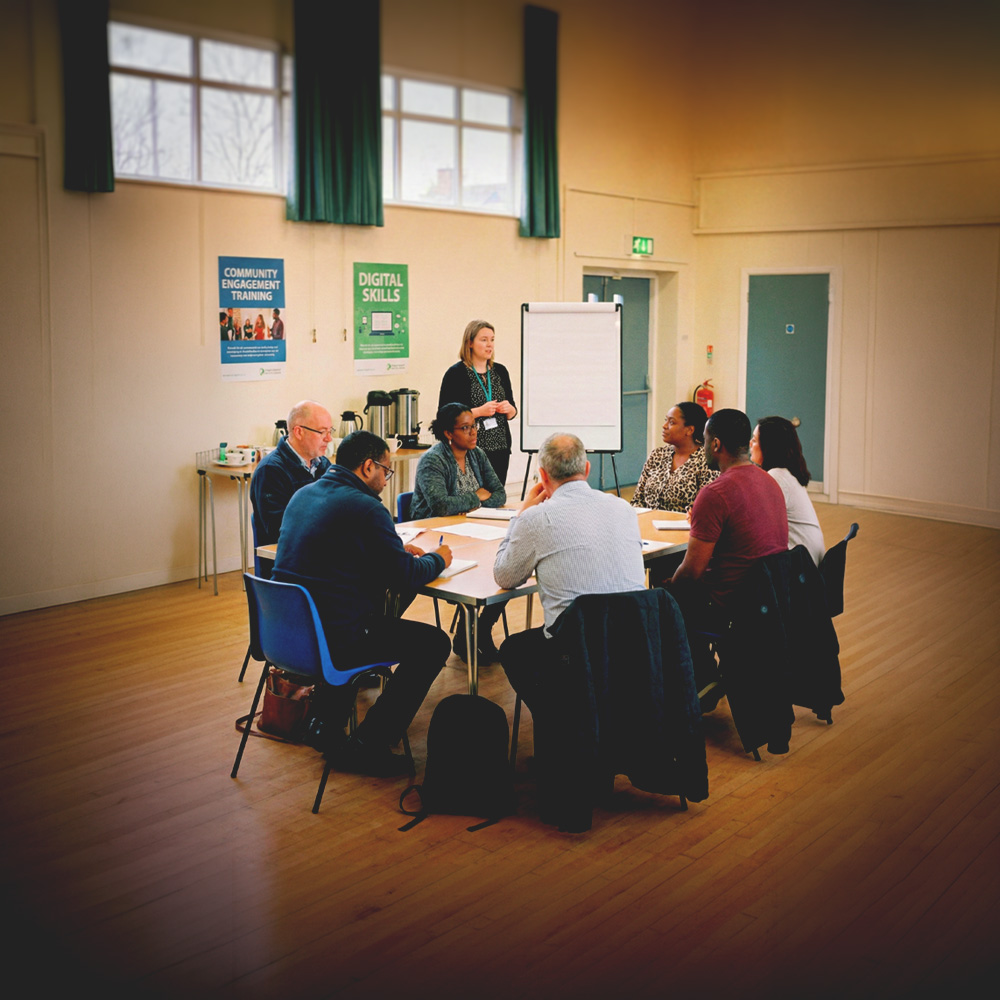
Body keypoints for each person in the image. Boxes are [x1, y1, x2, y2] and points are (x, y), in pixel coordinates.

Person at [273, 430, 453, 776]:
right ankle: (369, 744)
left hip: (289, 634)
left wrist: (390, 551)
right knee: (433, 644)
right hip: (336, 637)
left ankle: (324, 723)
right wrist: (439, 559)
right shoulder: (366, 507)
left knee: (353, 613)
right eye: (385, 471)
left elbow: (334, 555)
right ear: (368, 466)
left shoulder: (303, 495)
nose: (387, 480)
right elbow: (405, 576)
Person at [493, 433, 647, 713]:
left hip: (574, 646)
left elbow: (505, 577)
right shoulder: (624, 509)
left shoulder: (536, 518)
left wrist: (520, 515)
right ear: (586, 469)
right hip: (632, 638)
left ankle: (561, 724)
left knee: (513, 651)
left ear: (541, 475)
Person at [667, 408, 788, 695]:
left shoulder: (715, 493)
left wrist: (668, 588)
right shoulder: (769, 481)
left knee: (663, 602)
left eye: (705, 440)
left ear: (716, 444)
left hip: (731, 603)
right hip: (768, 596)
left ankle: (700, 677)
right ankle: (704, 674)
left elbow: (692, 572)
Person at [410, 402, 508, 662]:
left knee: (504, 568)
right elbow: (441, 506)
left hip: (471, 529)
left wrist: (468, 502)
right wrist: (476, 496)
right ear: (448, 433)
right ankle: (470, 633)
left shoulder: (477, 454)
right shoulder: (433, 460)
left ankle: (479, 630)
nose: (473, 433)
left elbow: (499, 494)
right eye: (465, 428)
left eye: (473, 426)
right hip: (434, 534)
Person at [438, 320, 517, 484]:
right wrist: (479, 412)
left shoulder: (500, 371)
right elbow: (444, 415)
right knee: (474, 498)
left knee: (496, 497)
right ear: (470, 343)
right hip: (471, 449)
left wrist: (509, 409)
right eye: (484, 340)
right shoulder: (456, 374)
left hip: (500, 448)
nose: (490, 345)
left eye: (492, 340)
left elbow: (513, 410)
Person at [250, 400, 333, 545]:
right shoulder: (270, 470)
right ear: (299, 432)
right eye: (322, 432)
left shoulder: (323, 465)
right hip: (288, 558)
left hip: (321, 549)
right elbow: (278, 529)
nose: (329, 438)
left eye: (330, 431)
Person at [750, 416, 825, 565]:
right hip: (807, 559)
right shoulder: (787, 473)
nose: (750, 444)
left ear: (768, 446)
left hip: (801, 566)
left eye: (755, 440)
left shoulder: (777, 477)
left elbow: (753, 523)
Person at [631, 401, 718, 512]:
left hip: (685, 527)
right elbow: (637, 500)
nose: (664, 426)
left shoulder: (706, 461)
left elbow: (704, 509)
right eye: (665, 420)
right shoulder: (657, 455)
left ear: (690, 430)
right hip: (647, 525)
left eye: (671, 422)